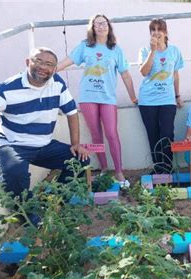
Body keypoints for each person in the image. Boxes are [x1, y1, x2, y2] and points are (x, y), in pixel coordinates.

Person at [0, 47, 90, 197]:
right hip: (13, 145)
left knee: (80, 160)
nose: (43, 67)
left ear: (54, 69)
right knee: (15, 174)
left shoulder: (57, 83)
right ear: (28, 62)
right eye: (38, 61)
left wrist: (76, 144)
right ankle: (28, 213)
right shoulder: (8, 87)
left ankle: (54, 199)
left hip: (43, 145)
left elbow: (72, 113)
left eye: (49, 64)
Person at [57, 14, 137, 188]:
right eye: (96, 24)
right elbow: (69, 61)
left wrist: (133, 95)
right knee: (96, 135)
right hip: (88, 97)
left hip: (107, 98)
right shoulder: (85, 46)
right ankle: (103, 169)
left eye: (103, 23)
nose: (100, 26)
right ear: (92, 28)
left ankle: (119, 172)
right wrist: (50, 69)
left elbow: (125, 74)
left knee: (111, 133)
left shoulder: (116, 49)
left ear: (109, 26)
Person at [138, 18, 184, 174]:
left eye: (160, 29)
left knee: (167, 133)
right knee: (153, 134)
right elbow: (144, 72)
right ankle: (158, 168)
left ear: (166, 33)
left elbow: (175, 75)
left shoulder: (174, 51)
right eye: (153, 29)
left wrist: (177, 95)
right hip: (147, 100)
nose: (156, 32)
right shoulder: (145, 50)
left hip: (167, 99)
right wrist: (153, 51)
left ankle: (168, 167)